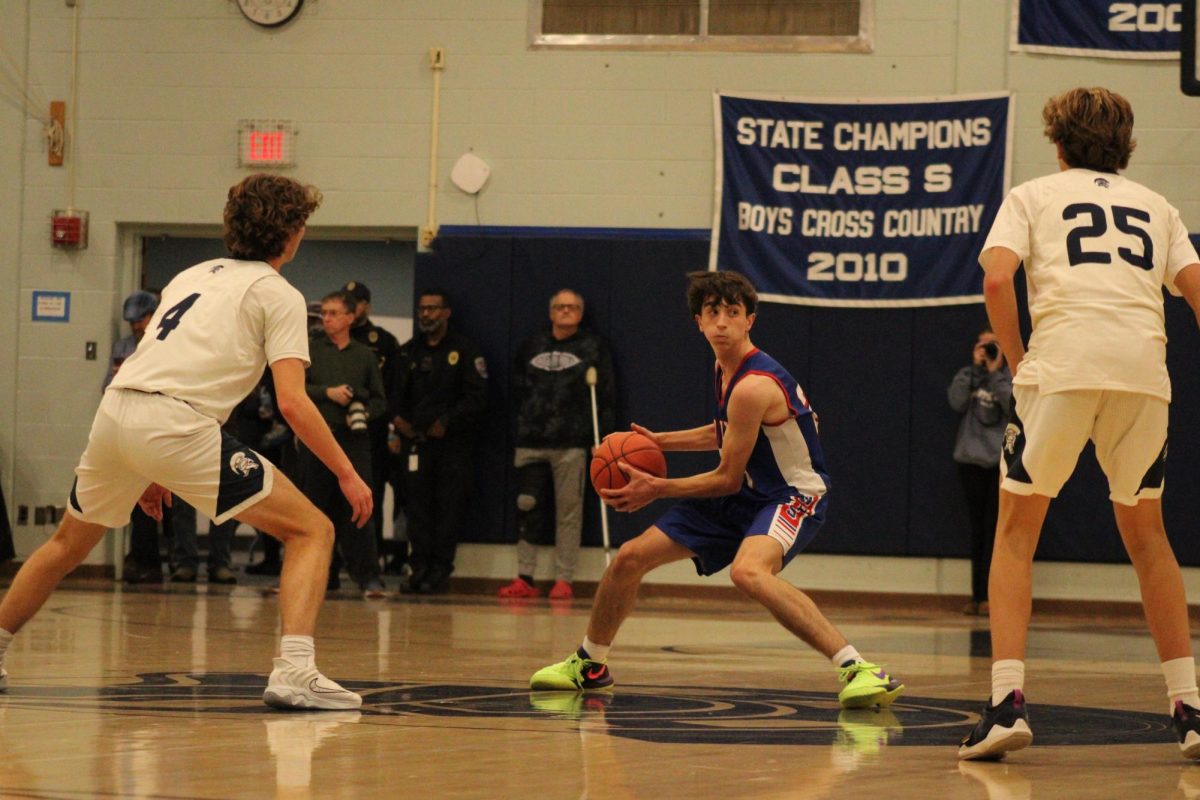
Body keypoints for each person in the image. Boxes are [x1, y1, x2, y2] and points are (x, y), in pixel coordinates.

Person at [0, 174, 372, 710]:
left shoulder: (192, 275)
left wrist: (147, 468)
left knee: (64, 545)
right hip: (174, 423)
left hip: (118, 409)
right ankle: (295, 670)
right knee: (312, 530)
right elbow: (293, 402)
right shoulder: (279, 294)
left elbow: (165, 364)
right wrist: (346, 472)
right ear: (290, 233)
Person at [529, 270, 903, 711]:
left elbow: (724, 476)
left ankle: (858, 668)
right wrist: (659, 441)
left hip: (791, 494)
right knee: (630, 558)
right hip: (746, 491)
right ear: (699, 323)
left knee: (748, 572)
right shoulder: (724, 369)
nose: (722, 321)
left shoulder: (752, 385)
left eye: (733, 312)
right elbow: (725, 432)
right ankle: (590, 665)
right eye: (713, 312)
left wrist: (658, 488)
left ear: (750, 321)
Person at [959, 87, 1200, 761]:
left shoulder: (1032, 196)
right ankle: (1190, 708)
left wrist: (1016, 356)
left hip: (1061, 369)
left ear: (1056, 141)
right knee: (1149, 536)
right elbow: (1197, 288)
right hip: (1143, 376)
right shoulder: (1160, 207)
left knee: (1015, 531)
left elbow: (999, 281)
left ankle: (1007, 704)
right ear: (1127, 146)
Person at [499, 289, 615, 600]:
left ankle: (564, 579)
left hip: (572, 443)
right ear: (551, 313)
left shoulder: (593, 347)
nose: (566, 312)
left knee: (569, 512)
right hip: (531, 440)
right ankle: (524, 576)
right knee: (526, 506)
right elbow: (517, 388)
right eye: (560, 307)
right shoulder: (532, 345)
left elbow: (604, 396)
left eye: (573, 307)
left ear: (581, 313)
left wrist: (601, 438)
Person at [392, 288, 487, 594]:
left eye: (433, 309)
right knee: (416, 509)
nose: (426, 314)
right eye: (422, 309)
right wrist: (398, 421)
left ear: (446, 312)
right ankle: (417, 569)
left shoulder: (466, 351)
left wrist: (446, 422)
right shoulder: (408, 352)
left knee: (448, 510)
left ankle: (439, 571)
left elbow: (477, 398)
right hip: (415, 444)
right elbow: (391, 395)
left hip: (452, 446)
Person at [300, 290, 388, 599]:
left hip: (354, 440)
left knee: (359, 506)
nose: (326, 318)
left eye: (333, 313)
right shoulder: (311, 351)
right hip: (319, 438)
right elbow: (296, 390)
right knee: (316, 508)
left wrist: (363, 412)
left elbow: (379, 400)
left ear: (351, 317)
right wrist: (328, 393)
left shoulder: (364, 355)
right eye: (323, 313)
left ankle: (369, 577)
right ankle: (321, 576)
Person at [105, 290, 168, 584]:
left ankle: (155, 561)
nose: (136, 326)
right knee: (133, 499)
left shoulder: (167, 343)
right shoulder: (124, 346)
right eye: (132, 322)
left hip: (158, 429)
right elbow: (107, 387)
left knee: (162, 502)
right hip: (126, 427)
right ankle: (139, 559)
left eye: (141, 319)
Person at [947, 327, 1011, 617]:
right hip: (970, 460)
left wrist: (997, 372)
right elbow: (956, 401)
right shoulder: (968, 374)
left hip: (999, 463)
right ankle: (977, 595)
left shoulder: (1011, 376)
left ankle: (994, 597)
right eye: (983, 345)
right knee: (977, 528)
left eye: (993, 345)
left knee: (997, 530)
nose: (988, 351)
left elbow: (1013, 406)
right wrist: (975, 368)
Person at [342, 281, 405, 573]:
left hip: (373, 433)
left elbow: (393, 389)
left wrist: (392, 428)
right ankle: (337, 559)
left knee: (371, 496)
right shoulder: (330, 341)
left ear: (366, 305)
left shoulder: (383, 342)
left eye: (355, 302)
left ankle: (371, 561)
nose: (350, 308)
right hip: (335, 430)